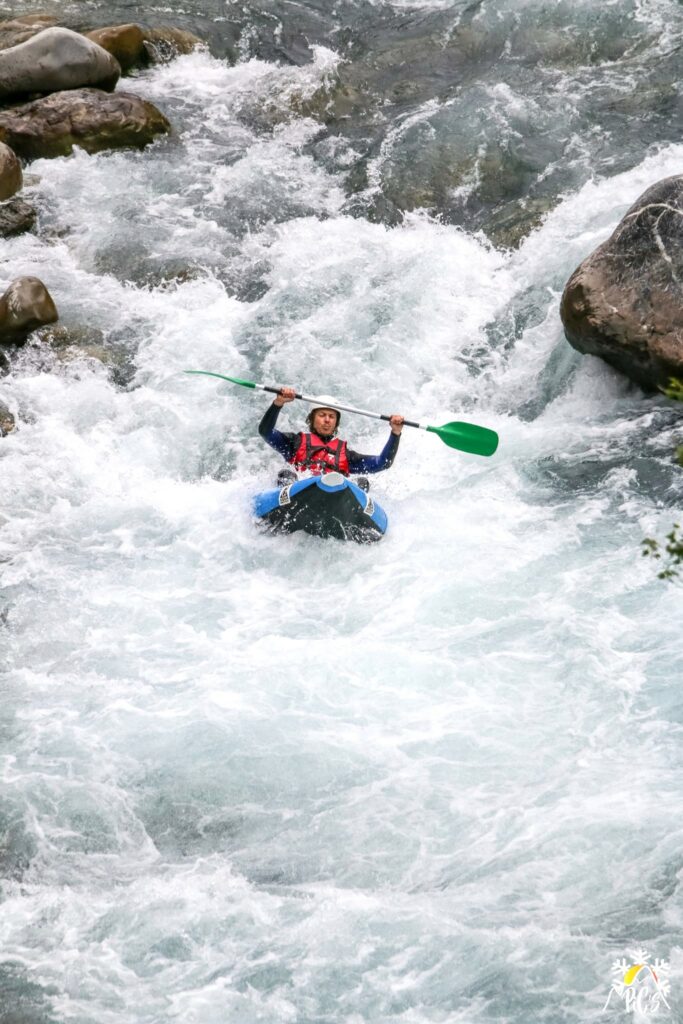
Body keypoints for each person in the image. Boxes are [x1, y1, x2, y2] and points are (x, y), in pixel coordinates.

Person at [259, 387, 404, 488]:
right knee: (286, 474)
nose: (327, 420)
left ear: (336, 423)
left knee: (362, 482)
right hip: (299, 494)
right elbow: (266, 431)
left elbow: (383, 463)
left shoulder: (346, 455)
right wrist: (278, 403)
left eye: (332, 416)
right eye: (322, 415)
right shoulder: (294, 443)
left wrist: (395, 433)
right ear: (312, 419)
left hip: (334, 496)